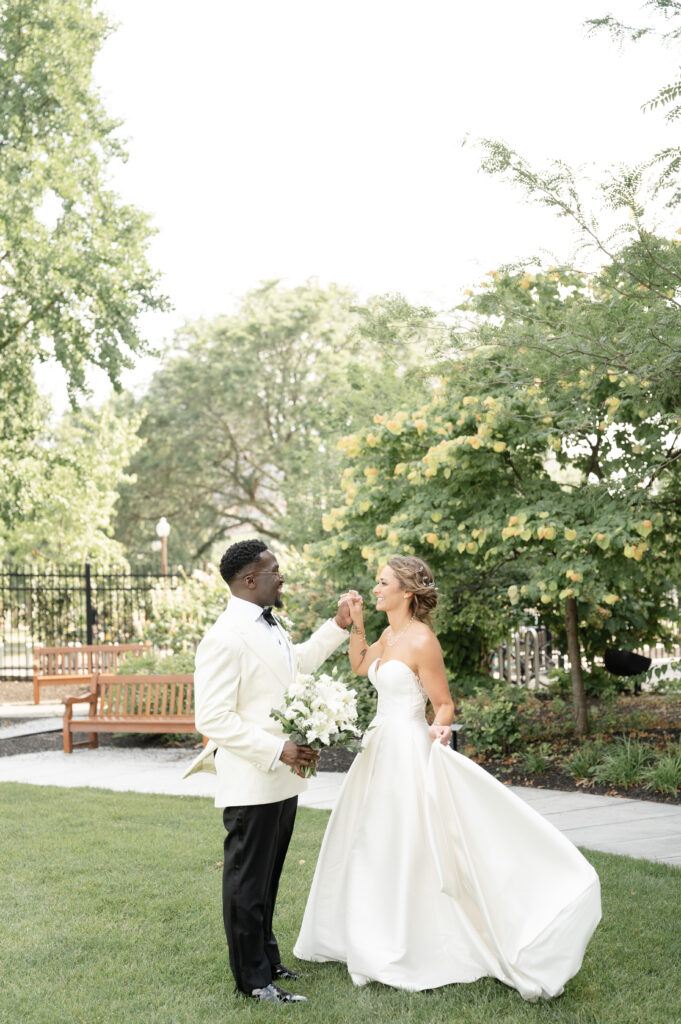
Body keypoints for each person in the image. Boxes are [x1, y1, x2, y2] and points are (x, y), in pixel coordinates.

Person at [294, 555, 601, 1001]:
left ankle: (417, 939)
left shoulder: (422, 641)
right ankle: (366, 933)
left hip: (408, 749)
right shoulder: (387, 633)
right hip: (379, 749)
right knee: (369, 840)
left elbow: (444, 703)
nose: (375, 589)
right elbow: (361, 666)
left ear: (407, 592)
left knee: (409, 841)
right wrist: (356, 622)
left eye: (382, 584)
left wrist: (439, 725)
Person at [184, 539, 351, 1004]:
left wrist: (337, 626)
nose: (281, 577)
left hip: (281, 777)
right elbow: (212, 719)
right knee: (246, 883)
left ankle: (269, 960)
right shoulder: (223, 637)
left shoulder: (270, 625)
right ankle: (254, 982)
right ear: (250, 580)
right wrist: (278, 748)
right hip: (252, 776)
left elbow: (294, 666)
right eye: (274, 570)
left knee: (269, 878)